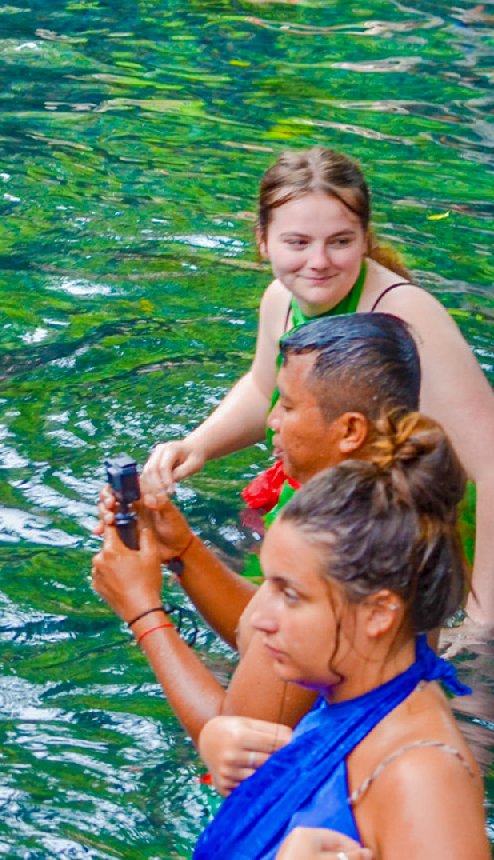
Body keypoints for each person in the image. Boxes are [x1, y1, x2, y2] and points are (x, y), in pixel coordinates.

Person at [143, 147, 494, 625]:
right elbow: (262, 387)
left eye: (340, 241)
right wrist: (198, 445)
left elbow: (490, 466)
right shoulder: (280, 299)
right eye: (298, 242)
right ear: (263, 241)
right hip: (331, 502)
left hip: (409, 533)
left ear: (365, 238)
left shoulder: (407, 317)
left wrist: (481, 621)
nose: (319, 262)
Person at [91, 314, 432, 740]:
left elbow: (244, 750)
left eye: (287, 405)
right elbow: (260, 634)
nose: (271, 420)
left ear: (349, 430)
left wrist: (142, 610)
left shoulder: (345, 548)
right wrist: (179, 550)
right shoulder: (382, 504)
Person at [180, 417, 486, 859]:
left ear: (380, 612)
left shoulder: (423, 779)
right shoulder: (347, 699)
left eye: (290, 594)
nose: (259, 617)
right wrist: (228, 751)